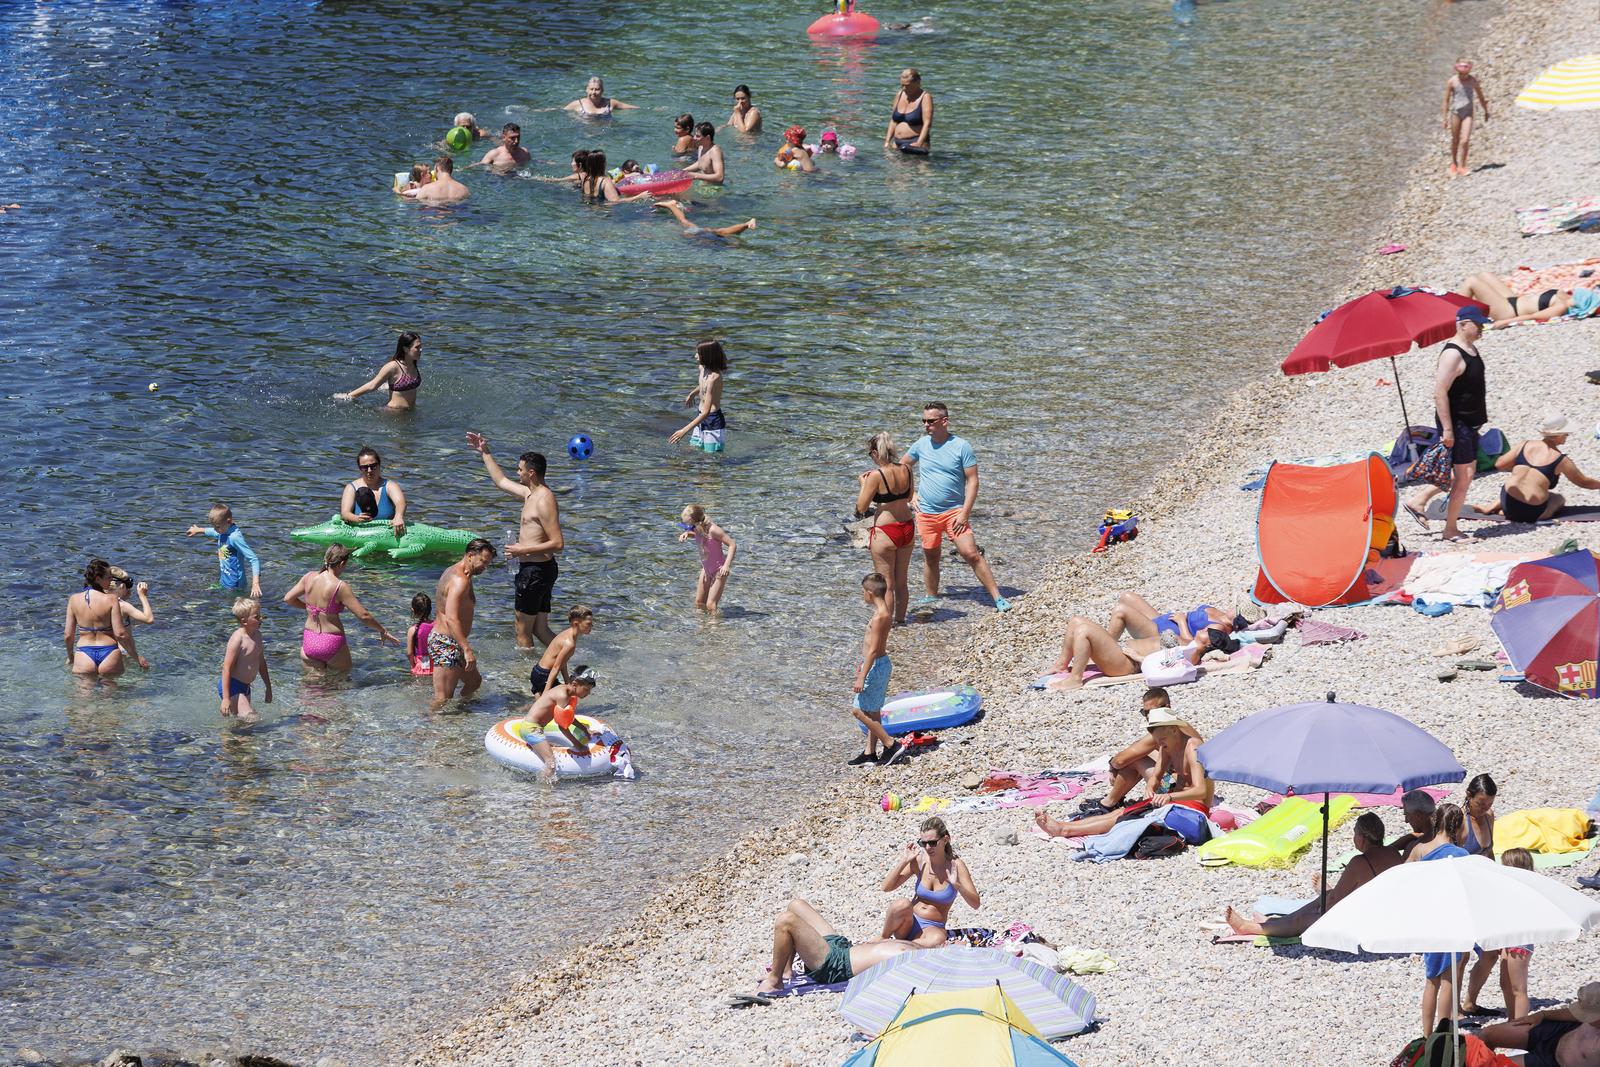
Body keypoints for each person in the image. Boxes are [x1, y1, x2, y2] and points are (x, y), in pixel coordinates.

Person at [1034, 708, 1214, 838]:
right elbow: (1157, 776)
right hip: (1176, 798)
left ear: (1174, 729)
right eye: (1157, 741)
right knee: (1124, 810)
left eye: (1162, 740)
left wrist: (1170, 797)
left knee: (1125, 815)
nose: (1160, 744)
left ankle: (1064, 830)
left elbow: (1201, 791)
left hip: (1194, 807)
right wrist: (1151, 788)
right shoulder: (1167, 745)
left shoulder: (1193, 747)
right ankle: (1065, 826)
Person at [1223, 813, 1402, 938]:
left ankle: (1249, 927)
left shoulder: (1359, 862)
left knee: (1304, 919)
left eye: (1354, 833)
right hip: (1387, 914)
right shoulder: (1394, 854)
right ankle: (1275, 923)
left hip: (1363, 922)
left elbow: (1332, 904)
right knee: (1322, 899)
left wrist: (1324, 900)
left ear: (1362, 838)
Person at [905, 402, 1009, 612]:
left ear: (944, 421)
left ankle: (998, 598)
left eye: (931, 421)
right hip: (926, 513)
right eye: (924, 421)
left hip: (954, 512)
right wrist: (911, 494)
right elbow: (903, 467)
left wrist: (964, 513)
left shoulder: (961, 446)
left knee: (970, 553)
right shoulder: (921, 445)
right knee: (931, 556)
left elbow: (973, 481)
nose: (926, 425)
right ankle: (931, 596)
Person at [465, 432, 563, 649]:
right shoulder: (530, 493)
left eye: (520, 470)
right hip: (538, 569)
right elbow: (501, 481)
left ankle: (525, 675)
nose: (517, 473)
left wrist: (522, 550)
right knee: (540, 629)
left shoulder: (544, 500)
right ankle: (567, 661)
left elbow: (558, 543)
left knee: (522, 630)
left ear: (531, 472)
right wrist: (485, 452)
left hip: (535, 571)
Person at [1404, 307, 1491, 542]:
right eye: (1478, 323)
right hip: (1457, 424)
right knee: (1464, 477)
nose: (1482, 327)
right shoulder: (1452, 354)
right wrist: (1449, 430)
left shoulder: (1470, 348)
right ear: (1462, 324)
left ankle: (1418, 501)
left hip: (1469, 423)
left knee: (1465, 474)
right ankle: (1450, 530)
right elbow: (1440, 393)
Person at [753, 898, 917, 996]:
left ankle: (775, 981)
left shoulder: (911, 958)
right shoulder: (917, 948)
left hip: (834, 966)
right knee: (796, 905)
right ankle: (786, 971)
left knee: (786, 920)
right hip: (842, 947)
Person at [1075, 688, 1199, 816]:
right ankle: (1113, 800)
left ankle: (1108, 803)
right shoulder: (1180, 728)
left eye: (1151, 712)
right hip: (1183, 785)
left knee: (1137, 759)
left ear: (1167, 707)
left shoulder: (1167, 732)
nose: (1148, 717)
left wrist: (1112, 765)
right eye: (1145, 713)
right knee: (1141, 753)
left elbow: (1120, 760)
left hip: (1179, 791)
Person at [1409, 801, 1472, 1038]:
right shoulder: (1462, 855)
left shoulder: (1420, 850)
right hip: (1453, 920)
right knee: (1448, 981)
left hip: (1429, 919)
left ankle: (1426, 1036)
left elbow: (1403, 880)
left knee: (1431, 980)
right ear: (1457, 826)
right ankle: (1443, 1037)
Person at [281, 545, 400, 670]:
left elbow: (288, 598)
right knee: (342, 683)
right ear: (342, 563)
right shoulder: (340, 586)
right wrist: (382, 630)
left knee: (312, 686)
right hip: (330, 642)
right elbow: (363, 615)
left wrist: (309, 607)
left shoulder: (308, 577)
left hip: (310, 640)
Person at [1473, 416, 1600, 523]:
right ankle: (1529, 516)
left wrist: (1520, 467)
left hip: (1507, 501)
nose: (1567, 436)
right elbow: (1583, 482)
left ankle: (1491, 507)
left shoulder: (1524, 444)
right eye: (1566, 433)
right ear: (1558, 435)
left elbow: (1499, 464)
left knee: (1516, 484)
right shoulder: (1561, 460)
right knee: (1558, 498)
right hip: (1531, 513)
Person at [1050, 617, 1236, 690]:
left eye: (1206, 631)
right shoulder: (1190, 648)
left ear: (1209, 641)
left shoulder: (1191, 653)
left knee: (1083, 631)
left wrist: (1138, 657)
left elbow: (1167, 666)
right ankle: (1061, 664)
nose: (1203, 628)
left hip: (1126, 664)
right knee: (1076, 622)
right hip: (1124, 656)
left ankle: (1075, 679)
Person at [878, 817, 980, 946]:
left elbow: (975, 904)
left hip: (932, 928)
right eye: (923, 843)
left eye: (932, 843)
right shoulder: (921, 861)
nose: (927, 847)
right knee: (901, 903)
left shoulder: (956, 866)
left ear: (945, 840)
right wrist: (904, 861)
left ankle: (903, 946)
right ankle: (884, 938)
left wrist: (958, 886)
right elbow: (886, 887)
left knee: (937, 940)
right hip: (908, 922)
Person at [1462, 848, 1537, 1019]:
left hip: (1520, 941)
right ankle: (1513, 1020)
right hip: (1509, 938)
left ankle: (1520, 1026)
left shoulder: (1524, 890)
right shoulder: (1511, 887)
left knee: (1518, 987)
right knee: (1505, 984)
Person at [855, 432, 916, 625]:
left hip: (885, 531)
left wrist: (863, 485)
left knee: (887, 585)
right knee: (901, 582)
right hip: (907, 527)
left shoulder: (875, 476)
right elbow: (908, 498)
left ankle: (886, 624)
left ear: (875, 453)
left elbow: (861, 508)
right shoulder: (906, 469)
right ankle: (900, 620)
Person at [429, 538, 496, 706]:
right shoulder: (460, 580)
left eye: (488, 564)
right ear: (470, 555)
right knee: (442, 700)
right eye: (483, 562)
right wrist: (466, 649)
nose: (484, 567)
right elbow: (451, 617)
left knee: (474, 682)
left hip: (452, 642)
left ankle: (459, 717)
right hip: (446, 643)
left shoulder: (460, 572)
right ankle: (426, 730)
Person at [850, 573, 904, 767]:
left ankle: (891, 744)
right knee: (873, 711)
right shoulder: (884, 612)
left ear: (870, 593)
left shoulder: (881, 616)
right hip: (877, 664)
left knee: (858, 710)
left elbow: (873, 650)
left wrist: (861, 677)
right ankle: (869, 753)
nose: (863, 595)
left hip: (875, 665)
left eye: (863, 592)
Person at [1479, 982, 1600, 1067]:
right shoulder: (1593, 1007)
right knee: (1488, 1034)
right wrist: (1543, 1014)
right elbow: (1575, 1014)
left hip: (1550, 1063)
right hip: (1557, 1032)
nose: (1584, 1018)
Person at [520, 668, 598, 783]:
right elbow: (563, 726)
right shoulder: (563, 696)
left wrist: (585, 730)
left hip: (536, 728)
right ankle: (543, 794)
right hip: (531, 729)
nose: (589, 693)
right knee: (551, 763)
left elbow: (568, 718)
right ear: (575, 684)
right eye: (587, 689)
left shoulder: (567, 692)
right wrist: (578, 746)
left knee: (554, 747)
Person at [1455, 274, 1600, 328]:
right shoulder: (1564, 296)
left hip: (1508, 311)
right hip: (1513, 299)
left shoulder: (1561, 306)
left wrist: (1503, 323)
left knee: (1471, 282)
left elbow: (1533, 317)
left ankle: (1453, 317)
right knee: (1484, 275)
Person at [65, 559, 129, 677]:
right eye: (109, 578)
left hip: (84, 653)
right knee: (111, 694)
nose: (111, 581)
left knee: (84, 693)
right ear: (98, 579)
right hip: (109, 652)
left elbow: (68, 636)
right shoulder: (111, 599)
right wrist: (135, 655)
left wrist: (71, 657)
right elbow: (120, 633)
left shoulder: (73, 599)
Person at [1103, 592, 1247, 644]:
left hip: (1159, 633)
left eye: (1238, 610)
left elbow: (1192, 644)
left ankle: (1105, 648)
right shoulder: (1220, 614)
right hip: (1161, 620)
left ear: (1236, 619)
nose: (1235, 607)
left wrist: (1181, 621)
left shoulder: (1219, 627)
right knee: (1127, 597)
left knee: (1120, 612)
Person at [186, 504, 262, 598]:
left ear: (228, 521)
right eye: (214, 527)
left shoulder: (234, 537)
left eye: (217, 527)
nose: (216, 530)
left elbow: (254, 559)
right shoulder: (223, 531)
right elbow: (213, 532)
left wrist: (255, 584)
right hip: (224, 581)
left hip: (235, 586)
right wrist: (198, 530)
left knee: (229, 610)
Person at [335, 331, 423, 411]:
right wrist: (349, 396)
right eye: (417, 347)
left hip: (410, 412)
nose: (421, 349)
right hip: (393, 413)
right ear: (405, 349)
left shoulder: (413, 363)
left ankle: (387, 385)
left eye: (421, 347)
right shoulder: (392, 366)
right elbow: (372, 385)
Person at [670, 339, 729, 451]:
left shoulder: (714, 378)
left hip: (712, 420)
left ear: (707, 356)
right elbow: (703, 386)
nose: (695, 356)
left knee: (711, 458)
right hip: (701, 417)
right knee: (694, 451)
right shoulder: (702, 368)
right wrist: (692, 394)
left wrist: (684, 431)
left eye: (698, 353)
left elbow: (707, 412)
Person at [219, 597, 271, 720]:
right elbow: (226, 668)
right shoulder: (238, 639)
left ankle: (227, 737)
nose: (261, 618)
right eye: (256, 616)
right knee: (251, 718)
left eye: (260, 615)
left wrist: (268, 687)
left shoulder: (258, 635)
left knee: (242, 724)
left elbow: (261, 663)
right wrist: (226, 698)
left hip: (245, 686)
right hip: (232, 686)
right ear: (244, 621)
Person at [340, 447, 408, 540]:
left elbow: (401, 502)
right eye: (365, 467)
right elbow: (345, 513)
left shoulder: (389, 486)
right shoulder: (351, 488)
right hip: (361, 537)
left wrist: (399, 516)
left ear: (379, 465)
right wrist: (357, 518)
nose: (369, 470)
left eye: (373, 466)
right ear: (360, 469)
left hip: (387, 538)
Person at [678, 505, 735, 612]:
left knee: (710, 605)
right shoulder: (698, 527)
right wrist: (687, 534)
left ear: (693, 520)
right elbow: (698, 535)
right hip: (706, 569)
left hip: (719, 570)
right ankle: (703, 627)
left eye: (688, 525)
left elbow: (732, 544)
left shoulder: (714, 530)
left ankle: (715, 627)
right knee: (699, 603)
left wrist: (726, 566)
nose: (688, 527)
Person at [530, 605, 593, 697]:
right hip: (544, 676)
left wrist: (567, 682)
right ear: (576, 624)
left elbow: (562, 662)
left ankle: (521, 709)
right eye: (588, 623)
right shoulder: (569, 643)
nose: (591, 626)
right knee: (567, 696)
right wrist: (546, 694)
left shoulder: (567, 633)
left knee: (539, 707)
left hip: (537, 672)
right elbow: (556, 667)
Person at [1442, 59, 1489, 177]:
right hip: (1456, 112)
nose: (1463, 72)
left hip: (1468, 112)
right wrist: (1444, 118)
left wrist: (1486, 111)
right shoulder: (1452, 81)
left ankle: (1462, 166)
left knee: (1465, 140)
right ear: (1457, 68)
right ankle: (1454, 162)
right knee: (1455, 139)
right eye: (1461, 68)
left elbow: (1481, 96)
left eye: (1466, 68)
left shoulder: (1473, 81)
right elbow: (1446, 100)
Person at [108, 567, 152, 671]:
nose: (129, 589)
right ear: (122, 586)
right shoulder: (122, 606)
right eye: (128, 586)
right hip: (122, 653)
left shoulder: (95, 601)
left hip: (98, 650)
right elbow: (149, 619)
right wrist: (143, 596)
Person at [883, 69, 932, 154]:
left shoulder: (925, 97)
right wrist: (887, 141)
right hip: (897, 143)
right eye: (902, 85)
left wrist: (919, 143)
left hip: (915, 142)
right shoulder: (899, 94)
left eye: (907, 85)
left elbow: (927, 124)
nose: (904, 88)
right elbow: (893, 120)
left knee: (916, 167)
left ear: (917, 82)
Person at [652, 199, 756, 238]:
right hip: (702, 233)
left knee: (684, 221)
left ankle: (671, 206)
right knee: (725, 232)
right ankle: (746, 224)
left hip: (702, 233)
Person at [577, 151, 653, 204]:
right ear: (602, 165)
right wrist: (639, 197)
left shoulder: (586, 179)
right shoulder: (605, 181)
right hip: (604, 213)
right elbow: (615, 201)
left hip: (591, 210)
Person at [1390, 789, 1440, 859]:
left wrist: (1390, 848)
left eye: (1407, 815)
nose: (1406, 820)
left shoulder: (1413, 848)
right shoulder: (1448, 836)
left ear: (1418, 816)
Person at [1464, 772, 1498, 857]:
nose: (1485, 809)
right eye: (1481, 804)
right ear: (1469, 795)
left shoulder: (1489, 815)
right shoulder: (1461, 820)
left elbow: (1490, 853)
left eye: (1490, 804)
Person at [564, 77, 636, 116]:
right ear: (586, 90)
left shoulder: (610, 103)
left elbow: (630, 107)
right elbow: (561, 110)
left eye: (597, 89)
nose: (593, 92)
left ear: (602, 90)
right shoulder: (578, 104)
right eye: (591, 89)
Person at [407, 592, 434, 676]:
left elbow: (410, 654)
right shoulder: (439, 625)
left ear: (413, 610)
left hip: (421, 667)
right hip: (437, 665)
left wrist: (413, 666)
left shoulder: (413, 630)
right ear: (430, 609)